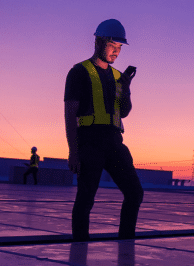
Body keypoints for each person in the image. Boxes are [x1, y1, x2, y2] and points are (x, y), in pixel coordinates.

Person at [64, 19, 143, 241]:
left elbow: (124, 112)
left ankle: (126, 243)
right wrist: (74, 151)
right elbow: (70, 113)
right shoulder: (79, 72)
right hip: (90, 142)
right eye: (112, 46)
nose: (116, 52)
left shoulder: (119, 77)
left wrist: (126, 89)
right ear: (98, 42)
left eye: (119, 48)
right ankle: (79, 247)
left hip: (114, 142)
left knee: (135, 193)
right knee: (86, 198)